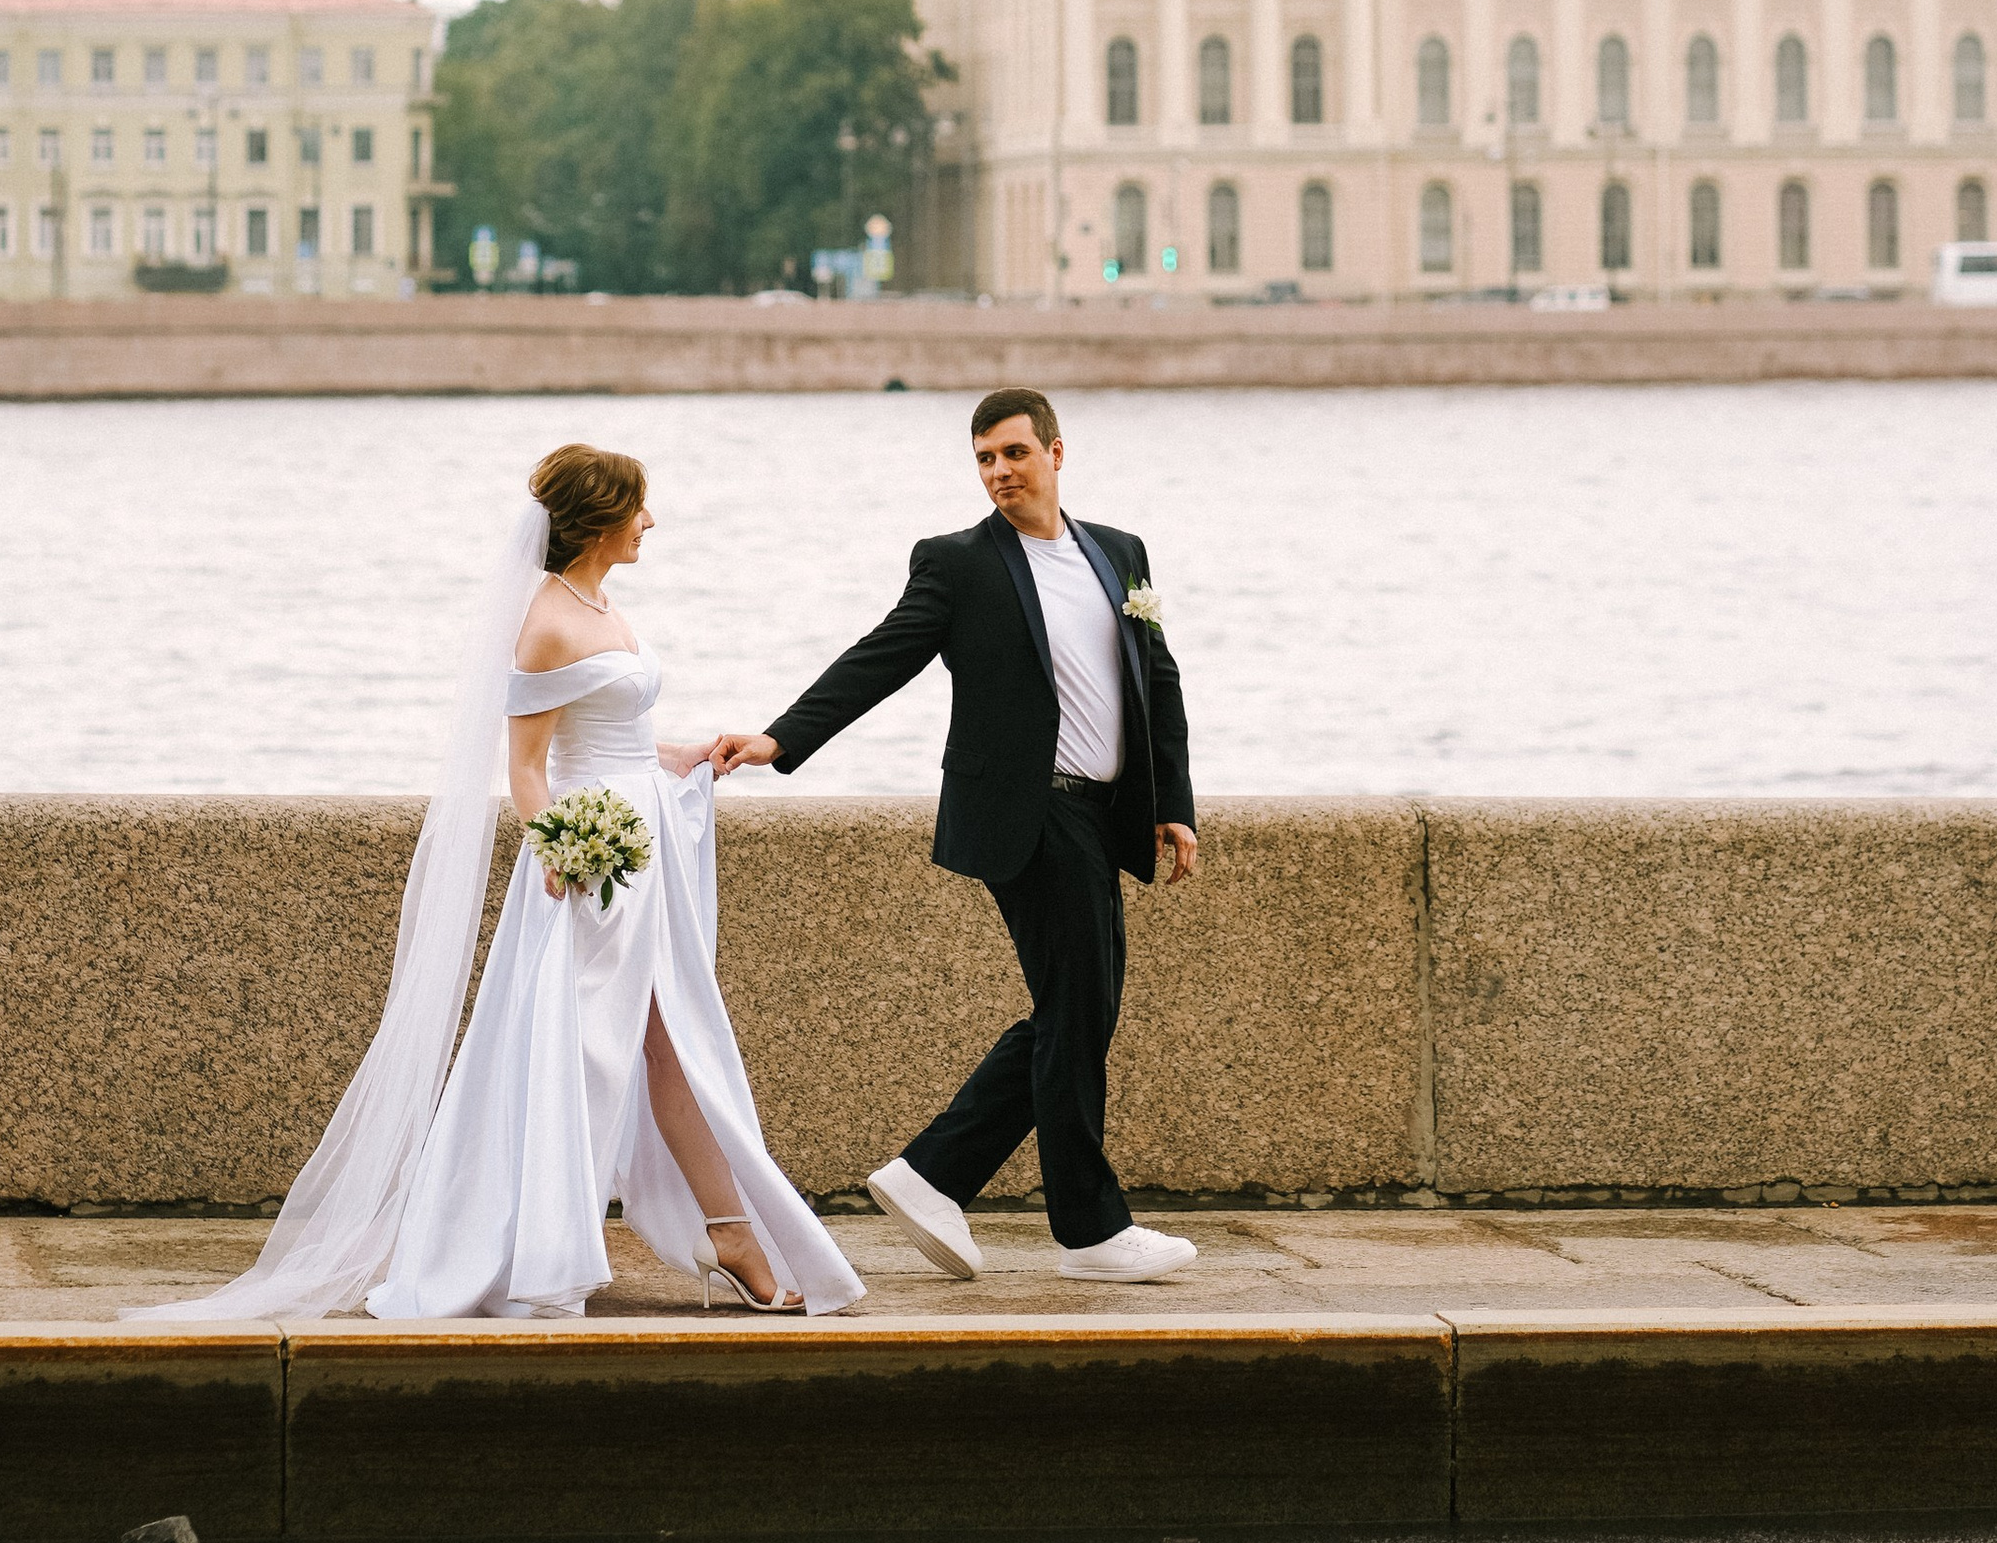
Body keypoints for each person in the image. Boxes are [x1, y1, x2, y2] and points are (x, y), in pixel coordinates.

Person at [131, 442, 861, 1326]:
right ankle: (571, 1244)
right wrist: (559, 847)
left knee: (670, 1044)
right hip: (597, 868)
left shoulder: (601, 600)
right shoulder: (548, 618)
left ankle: (725, 1231)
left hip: (643, 840)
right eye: (639, 507)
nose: (651, 521)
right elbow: (526, 764)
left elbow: (618, 738)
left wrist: (691, 755)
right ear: (598, 518)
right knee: (589, 1051)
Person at [710, 385, 1199, 1284]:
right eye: (983, 459)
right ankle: (1088, 1232)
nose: (998, 472)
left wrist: (1175, 803)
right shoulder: (959, 563)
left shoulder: (1119, 555)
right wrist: (782, 739)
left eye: (1013, 453)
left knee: (1075, 1010)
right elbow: (881, 655)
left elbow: (1154, 680)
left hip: (1100, 810)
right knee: (1079, 1006)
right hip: (1028, 811)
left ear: (1058, 452)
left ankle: (934, 1173)